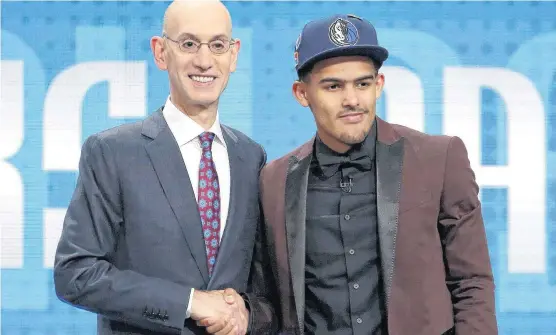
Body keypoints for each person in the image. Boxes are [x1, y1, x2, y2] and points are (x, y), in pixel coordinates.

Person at [243, 14, 498, 335]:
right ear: (301, 93)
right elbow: (267, 299)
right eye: (333, 86)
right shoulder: (273, 181)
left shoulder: (439, 159)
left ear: (379, 85)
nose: (352, 100)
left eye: (362, 83)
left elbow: (472, 282)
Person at [53, 1, 262, 334]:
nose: (204, 61)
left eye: (218, 45)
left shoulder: (252, 158)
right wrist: (189, 302)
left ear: (233, 55)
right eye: (189, 44)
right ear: (161, 52)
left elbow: (261, 281)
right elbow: (75, 274)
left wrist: (247, 312)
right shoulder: (112, 152)